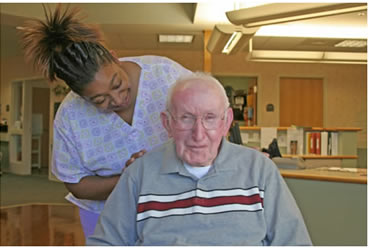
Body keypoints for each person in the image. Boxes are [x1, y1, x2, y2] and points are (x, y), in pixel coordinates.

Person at [19, 4, 192, 238]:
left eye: (118, 84)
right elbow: (76, 184)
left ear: (113, 56)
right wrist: (128, 179)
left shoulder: (166, 74)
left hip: (173, 207)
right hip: (105, 215)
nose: (118, 99)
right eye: (99, 100)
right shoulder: (70, 117)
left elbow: (208, 124)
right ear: (80, 96)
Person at [86, 72, 312, 246]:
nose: (199, 134)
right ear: (168, 123)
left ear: (227, 121)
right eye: (186, 118)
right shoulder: (139, 174)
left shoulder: (260, 170)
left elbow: (294, 243)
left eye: (210, 118)